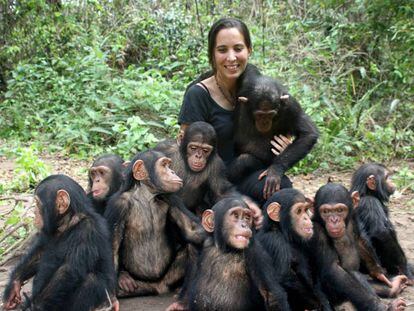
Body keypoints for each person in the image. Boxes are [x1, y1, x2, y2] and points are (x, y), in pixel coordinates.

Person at [178, 17, 292, 193]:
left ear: (249, 51)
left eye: (238, 49)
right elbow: (187, 155)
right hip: (211, 183)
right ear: (212, 54)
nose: (231, 58)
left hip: (249, 175)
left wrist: (283, 151)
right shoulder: (198, 94)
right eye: (222, 50)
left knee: (281, 187)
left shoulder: (258, 89)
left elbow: (274, 138)